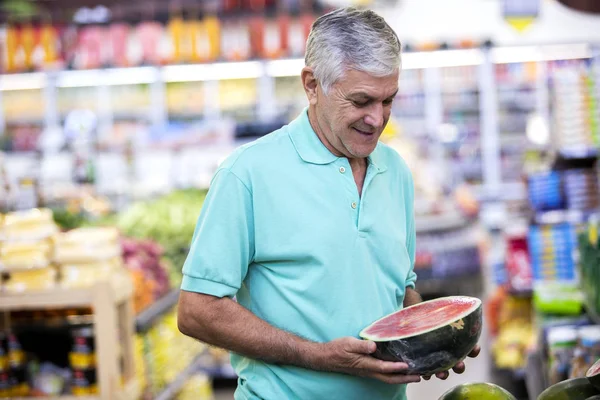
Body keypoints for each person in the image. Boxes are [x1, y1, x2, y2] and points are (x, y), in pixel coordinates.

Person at [177, 7, 480, 400]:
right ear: (312, 85)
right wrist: (317, 355)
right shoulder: (247, 174)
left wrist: (435, 339)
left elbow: (399, 289)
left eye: (388, 100)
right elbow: (197, 309)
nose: (377, 119)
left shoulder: (395, 171)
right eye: (361, 101)